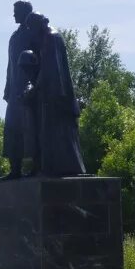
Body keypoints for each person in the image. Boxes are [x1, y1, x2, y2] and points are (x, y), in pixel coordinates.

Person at [23, 11, 86, 176]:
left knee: (61, 136)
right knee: (54, 135)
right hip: (52, 96)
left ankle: (63, 169)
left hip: (58, 98)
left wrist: (35, 90)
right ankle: (54, 168)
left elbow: (50, 70)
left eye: (31, 27)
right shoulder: (48, 38)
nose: (31, 31)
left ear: (39, 24)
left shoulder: (51, 38)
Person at [0, 0, 39, 180]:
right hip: (14, 91)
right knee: (12, 129)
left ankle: (37, 167)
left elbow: (40, 60)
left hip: (30, 90)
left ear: (25, 13)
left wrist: (34, 85)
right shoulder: (14, 37)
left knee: (31, 129)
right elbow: (10, 66)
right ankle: (14, 169)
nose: (13, 15)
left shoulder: (33, 34)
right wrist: (8, 88)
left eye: (16, 11)